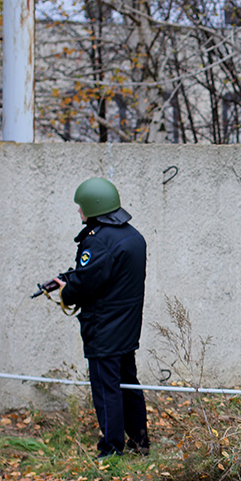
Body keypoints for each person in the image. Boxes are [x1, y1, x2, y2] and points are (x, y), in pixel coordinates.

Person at [54, 177, 150, 458]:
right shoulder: (133, 235)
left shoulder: (97, 242)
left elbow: (85, 284)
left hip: (104, 328)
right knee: (128, 384)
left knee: (106, 388)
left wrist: (66, 290)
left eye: (81, 206)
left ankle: (110, 449)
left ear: (93, 207)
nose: (78, 211)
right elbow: (110, 278)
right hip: (127, 326)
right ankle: (140, 442)